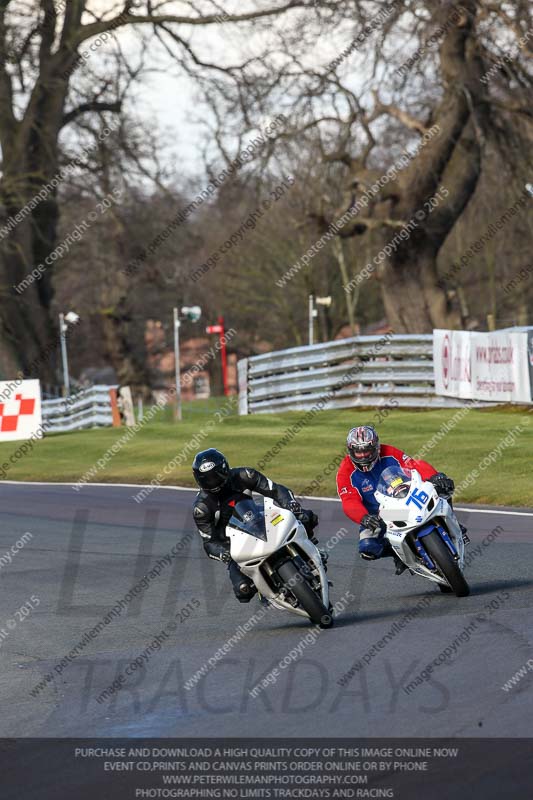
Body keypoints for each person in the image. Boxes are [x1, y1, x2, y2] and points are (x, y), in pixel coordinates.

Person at [192, 448, 319, 602]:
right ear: (199, 480)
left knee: (306, 517)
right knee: (242, 590)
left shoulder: (244, 475)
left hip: (259, 519)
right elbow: (209, 542)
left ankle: (311, 550)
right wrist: (224, 553)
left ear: (225, 468)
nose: (213, 482)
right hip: (234, 544)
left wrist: (291, 504)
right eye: (207, 479)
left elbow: (276, 490)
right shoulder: (202, 508)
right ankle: (262, 587)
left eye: (216, 475)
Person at [336, 425, 460, 571]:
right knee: (367, 548)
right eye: (358, 452)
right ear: (350, 451)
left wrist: (434, 476)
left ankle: (452, 523)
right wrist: (364, 517)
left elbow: (413, 465)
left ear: (376, 446)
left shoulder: (389, 452)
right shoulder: (345, 472)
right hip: (380, 515)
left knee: (443, 487)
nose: (363, 455)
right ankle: (397, 553)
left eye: (367, 450)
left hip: (408, 499)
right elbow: (349, 501)